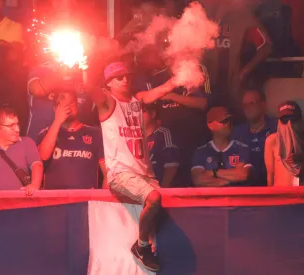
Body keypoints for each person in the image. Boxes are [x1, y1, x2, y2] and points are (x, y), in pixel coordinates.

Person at [86, 61, 178, 272]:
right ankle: (141, 247)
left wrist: (181, 77)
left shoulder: (137, 100)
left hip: (144, 174)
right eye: (119, 77)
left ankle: (147, 249)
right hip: (121, 174)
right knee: (154, 199)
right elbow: (91, 89)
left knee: (163, 210)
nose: (125, 79)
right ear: (108, 83)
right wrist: (84, 66)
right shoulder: (108, 102)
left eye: (127, 75)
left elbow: (162, 90)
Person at [134, 44, 211, 187]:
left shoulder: (195, 71)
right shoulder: (157, 78)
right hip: (166, 139)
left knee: (190, 181)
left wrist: (173, 96)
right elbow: (142, 99)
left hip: (193, 137)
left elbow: (203, 103)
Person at [201, 0, 272, 110]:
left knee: (234, 119)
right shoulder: (203, 18)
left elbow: (266, 47)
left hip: (234, 88)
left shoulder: (242, 18)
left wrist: (245, 71)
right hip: (210, 88)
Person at [37, 92, 106, 189]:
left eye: (71, 103)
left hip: (87, 201)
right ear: (55, 108)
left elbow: (108, 174)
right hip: (54, 201)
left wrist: (104, 202)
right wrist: (57, 122)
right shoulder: (46, 133)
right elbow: (43, 157)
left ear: (77, 106)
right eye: (62, 104)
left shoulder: (95, 133)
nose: (67, 107)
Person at [27, 62, 96, 141]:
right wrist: (60, 71)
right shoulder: (43, 69)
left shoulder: (85, 70)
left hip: (76, 143)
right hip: (40, 139)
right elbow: (37, 90)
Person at [191, 106, 252, 187]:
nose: (228, 124)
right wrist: (226, 180)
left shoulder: (242, 148)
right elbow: (198, 179)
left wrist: (213, 172)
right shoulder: (201, 152)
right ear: (210, 125)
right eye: (223, 121)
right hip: (212, 199)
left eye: (229, 120)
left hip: (237, 198)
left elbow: (242, 175)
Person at [264, 101, 304, 187]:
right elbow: (270, 177)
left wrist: (303, 157)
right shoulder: (272, 141)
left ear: (299, 120)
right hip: (281, 196)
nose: (289, 123)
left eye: (292, 119)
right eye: (285, 120)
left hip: (303, 196)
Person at [232, 89, 277, 186]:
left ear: (263, 105)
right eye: (245, 105)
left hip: (273, 186)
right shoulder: (237, 132)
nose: (247, 108)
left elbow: (298, 130)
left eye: (252, 103)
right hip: (246, 189)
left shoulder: (277, 126)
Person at [142, 104, 179, 188]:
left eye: (143, 111)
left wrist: (163, 189)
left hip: (159, 188)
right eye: (137, 112)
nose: (139, 115)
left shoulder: (163, 133)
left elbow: (171, 166)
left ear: (153, 114)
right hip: (139, 189)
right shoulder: (134, 135)